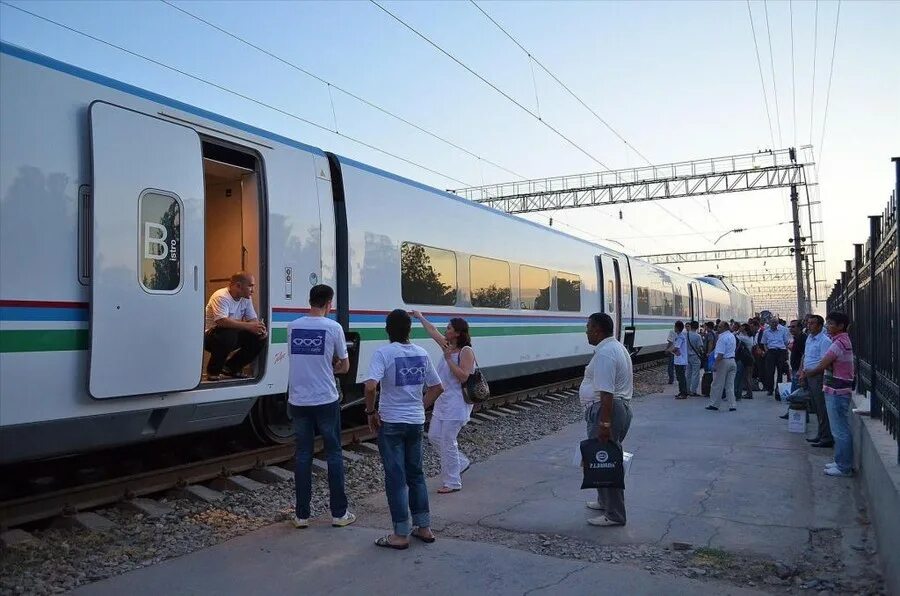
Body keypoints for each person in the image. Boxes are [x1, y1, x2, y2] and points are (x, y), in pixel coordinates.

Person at [365, 309, 443, 549]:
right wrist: (420, 406)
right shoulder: (421, 353)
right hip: (415, 422)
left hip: (392, 423)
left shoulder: (384, 353)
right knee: (416, 475)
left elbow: (370, 386)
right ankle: (424, 527)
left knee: (396, 479)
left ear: (387, 330)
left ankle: (400, 534)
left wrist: (370, 413)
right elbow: (437, 387)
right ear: (410, 330)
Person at [287, 284, 355, 529]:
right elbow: (345, 367)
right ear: (329, 303)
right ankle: (339, 514)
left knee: (303, 455)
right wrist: (332, 366)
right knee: (334, 453)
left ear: (310, 300)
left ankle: (301, 516)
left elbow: (298, 360)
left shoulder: (292, 327)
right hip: (325, 399)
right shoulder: (333, 327)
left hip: (298, 400)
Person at [412, 311, 475, 493]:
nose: (445, 331)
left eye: (448, 328)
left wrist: (448, 360)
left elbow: (464, 377)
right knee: (434, 436)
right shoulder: (447, 346)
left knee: (448, 440)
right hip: (443, 402)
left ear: (457, 333)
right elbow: (433, 332)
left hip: (457, 403)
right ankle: (461, 462)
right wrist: (420, 317)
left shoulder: (465, 351)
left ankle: (453, 482)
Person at [582, 313, 633, 527]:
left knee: (607, 461)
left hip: (608, 411)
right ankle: (604, 502)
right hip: (614, 410)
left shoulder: (605, 353)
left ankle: (615, 515)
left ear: (598, 329)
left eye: (588, 327)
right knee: (600, 459)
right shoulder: (616, 348)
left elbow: (606, 394)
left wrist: (604, 424)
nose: (586, 331)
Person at [803, 312, 855, 477]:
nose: (828, 326)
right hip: (835, 389)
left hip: (838, 391)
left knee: (840, 430)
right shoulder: (837, 341)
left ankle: (844, 466)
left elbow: (823, 364)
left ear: (840, 326)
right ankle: (840, 461)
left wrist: (809, 373)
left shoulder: (839, 343)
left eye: (831, 323)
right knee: (838, 428)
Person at [203, 271, 267, 381]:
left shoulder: (246, 298)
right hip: (210, 337)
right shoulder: (221, 296)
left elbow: (253, 320)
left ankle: (231, 368)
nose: (253, 290)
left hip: (231, 335)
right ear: (238, 286)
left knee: (259, 337)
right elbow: (222, 321)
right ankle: (213, 371)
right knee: (228, 333)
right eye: (250, 286)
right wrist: (249, 326)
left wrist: (259, 329)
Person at [800, 314, 834, 448]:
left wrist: (811, 372)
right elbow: (806, 355)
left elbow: (824, 362)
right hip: (809, 375)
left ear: (820, 326)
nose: (809, 326)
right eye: (808, 323)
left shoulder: (824, 341)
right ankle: (821, 434)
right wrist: (803, 372)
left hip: (818, 376)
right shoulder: (809, 338)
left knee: (821, 407)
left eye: (812, 323)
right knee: (816, 407)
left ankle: (826, 437)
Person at [705, 321, 737, 412]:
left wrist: (715, 365)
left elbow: (720, 354)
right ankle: (732, 405)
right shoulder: (732, 336)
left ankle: (714, 404)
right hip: (732, 361)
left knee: (717, 384)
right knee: (730, 385)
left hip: (723, 362)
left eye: (719, 327)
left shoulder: (722, 338)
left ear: (724, 328)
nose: (717, 328)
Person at [779, 319, 808, 419]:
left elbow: (804, 355)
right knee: (796, 394)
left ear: (800, 327)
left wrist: (800, 371)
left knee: (795, 395)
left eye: (793, 327)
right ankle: (793, 413)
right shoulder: (797, 338)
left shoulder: (801, 338)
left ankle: (794, 415)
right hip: (796, 369)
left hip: (798, 371)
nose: (791, 329)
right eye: (790, 327)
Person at [761, 317, 791, 397]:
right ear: (770, 323)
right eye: (772, 322)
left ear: (778, 323)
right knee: (770, 372)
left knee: (780, 371)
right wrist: (767, 351)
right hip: (771, 351)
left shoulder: (783, 330)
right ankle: (770, 389)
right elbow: (764, 343)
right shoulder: (766, 332)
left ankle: (778, 389)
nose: (774, 324)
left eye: (775, 323)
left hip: (781, 351)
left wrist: (785, 353)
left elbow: (786, 342)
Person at [734, 322, 755, 400]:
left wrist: (738, 331)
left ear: (744, 328)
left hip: (746, 358)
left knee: (747, 377)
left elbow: (735, 336)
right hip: (750, 358)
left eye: (741, 327)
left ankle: (750, 393)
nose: (740, 327)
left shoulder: (744, 338)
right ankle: (749, 393)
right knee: (747, 377)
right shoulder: (751, 337)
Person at [685, 321, 704, 397]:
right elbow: (700, 347)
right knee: (695, 374)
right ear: (697, 327)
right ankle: (693, 391)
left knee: (688, 374)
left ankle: (687, 390)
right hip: (695, 357)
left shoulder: (685, 334)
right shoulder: (697, 336)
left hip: (687, 356)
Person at [672, 321, 688, 398]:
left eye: (675, 327)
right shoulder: (679, 336)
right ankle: (681, 391)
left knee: (681, 377)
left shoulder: (680, 337)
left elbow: (676, 348)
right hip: (679, 360)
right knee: (680, 377)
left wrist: (669, 350)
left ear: (677, 328)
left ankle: (683, 393)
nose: (674, 328)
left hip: (680, 361)